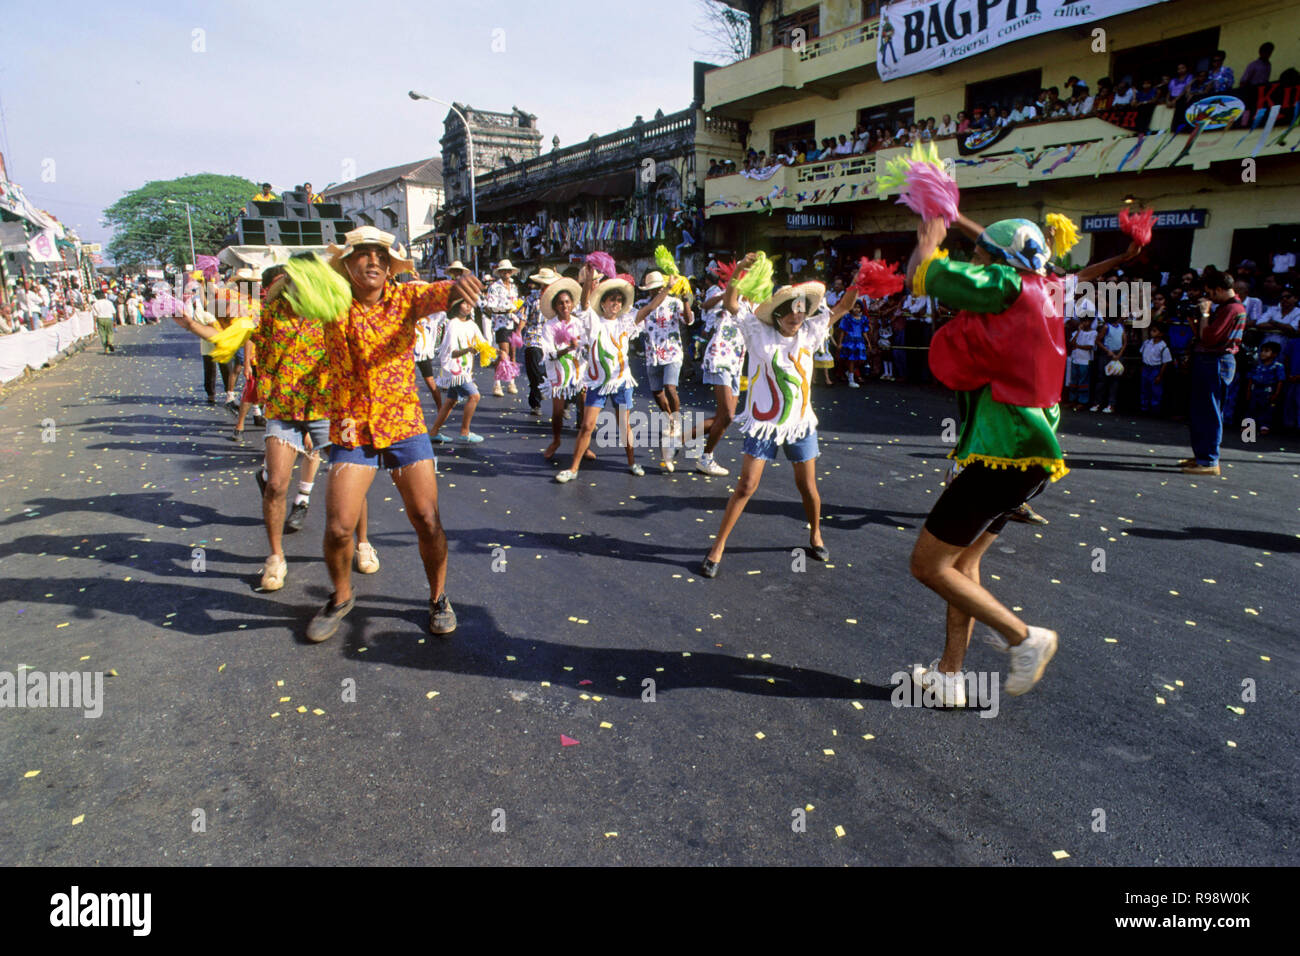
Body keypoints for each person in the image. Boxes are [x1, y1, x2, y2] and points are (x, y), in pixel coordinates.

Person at [904, 213, 1067, 705]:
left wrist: (930, 240)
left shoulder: (1006, 286)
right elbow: (1007, 251)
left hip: (1003, 456)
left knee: (928, 566)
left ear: (997, 264)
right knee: (962, 567)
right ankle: (950, 676)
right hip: (1023, 461)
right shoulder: (1045, 287)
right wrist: (957, 217)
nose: (974, 260)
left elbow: (927, 274)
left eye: (979, 255)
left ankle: (1024, 639)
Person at [310, 225, 483, 641]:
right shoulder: (330, 304)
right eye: (364, 255)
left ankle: (439, 597)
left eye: (381, 256)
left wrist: (459, 286)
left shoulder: (406, 298)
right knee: (338, 528)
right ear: (348, 265)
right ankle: (341, 596)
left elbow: (442, 294)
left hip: (404, 424)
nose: (373, 261)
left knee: (427, 519)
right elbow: (289, 295)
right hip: (353, 428)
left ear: (390, 268)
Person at [169, 258, 380, 591]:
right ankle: (275, 557)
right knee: (277, 484)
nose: (295, 283)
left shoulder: (333, 310)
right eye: (291, 278)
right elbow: (228, 336)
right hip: (283, 408)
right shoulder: (267, 314)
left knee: (348, 479)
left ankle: (363, 543)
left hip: (327, 406)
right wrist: (191, 325)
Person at [699, 257, 858, 577]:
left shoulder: (810, 332)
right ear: (777, 312)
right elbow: (731, 302)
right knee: (746, 486)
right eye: (788, 309)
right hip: (763, 424)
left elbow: (840, 308)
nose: (795, 315)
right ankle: (717, 547)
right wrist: (740, 271)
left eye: (800, 309)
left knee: (807, 486)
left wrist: (860, 282)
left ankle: (815, 533)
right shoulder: (757, 332)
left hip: (800, 425)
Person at [555, 267, 644, 482]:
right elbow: (585, 303)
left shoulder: (626, 322)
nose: (616, 304)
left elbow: (648, 309)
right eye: (611, 300)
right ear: (603, 303)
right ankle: (573, 468)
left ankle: (632, 462)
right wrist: (588, 277)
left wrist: (667, 289)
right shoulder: (593, 322)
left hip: (622, 382)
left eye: (619, 300)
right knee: (587, 426)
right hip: (598, 382)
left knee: (625, 425)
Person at [1181, 271, 1246, 475]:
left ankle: (1209, 461)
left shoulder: (1232, 309)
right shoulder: (1230, 307)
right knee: (1200, 410)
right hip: (1210, 360)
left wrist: (1206, 314)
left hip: (1216, 361)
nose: (1208, 297)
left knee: (1209, 412)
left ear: (1218, 289)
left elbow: (1209, 338)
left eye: (1209, 292)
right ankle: (1202, 455)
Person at [635, 270, 694, 473]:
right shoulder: (642, 306)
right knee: (657, 393)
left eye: (657, 288)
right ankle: (669, 417)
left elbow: (688, 320)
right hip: (652, 354)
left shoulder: (674, 302)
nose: (654, 292)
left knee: (670, 388)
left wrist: (686, 300)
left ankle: (675, 421)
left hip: (672, 353)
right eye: (651, 289)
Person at [427, 291, 490, 443]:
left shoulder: (472, 324)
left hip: (465, 370)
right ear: (456, 306)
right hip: (455, 370)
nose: (468, 306)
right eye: (464, 303)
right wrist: (468, 349)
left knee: (450, 400)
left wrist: (497, 352)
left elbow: (482, 343)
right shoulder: (453, 324)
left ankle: (434, 431)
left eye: (470, 303)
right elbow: (451, 352)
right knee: (474, 396)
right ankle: (465, 432)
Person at [521, 267, 558, 417]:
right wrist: (518, 332)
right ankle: (535, 403)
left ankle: (561, 402)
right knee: (534, 371)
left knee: (552, 371)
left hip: (550, 338)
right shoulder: (531, 298)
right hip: (533, 336)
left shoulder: (556, 299)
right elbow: (523, 316)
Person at [481, 259, 521, 396]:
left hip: (513, 322)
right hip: (500, 323)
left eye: (509, 270)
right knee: (504, 353)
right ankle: (497, 383)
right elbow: (491, 307)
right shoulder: (494, 287)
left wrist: (516, 310)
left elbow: (516, 303)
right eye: (504, 271)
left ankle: (511, 382)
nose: (507, 273)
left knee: (512, 354)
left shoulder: (514, 287)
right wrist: (506, 309)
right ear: (500, 272)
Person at [1244, 342, 1285, 435]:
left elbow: (1280, 381)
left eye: (1266, 351)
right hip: (1255, 389)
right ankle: (1248, 426)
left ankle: (1264, 426)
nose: (1263, 353)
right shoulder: (1256, 365)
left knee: (1267, 409)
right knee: (1251, 408)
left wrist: (1276, 393)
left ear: (1274, 354)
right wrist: (1248, 390)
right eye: (1261, 351)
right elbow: (1250, 378)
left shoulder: (1278, 366)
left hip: (1268, 391)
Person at [1139, 324, 1173, 413]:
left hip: (1155, 369)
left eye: (1155, 331)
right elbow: (1142, 355)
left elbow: (1165, 362)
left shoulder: (1163, 347)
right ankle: (1144, 407)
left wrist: (1159, 375)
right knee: (1144, 388)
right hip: (1146, 367)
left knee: (1155, 390)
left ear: (1160, 334)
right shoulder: (1147, 343)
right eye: (1152, 331)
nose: (1152, 333)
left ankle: (1155, 408)